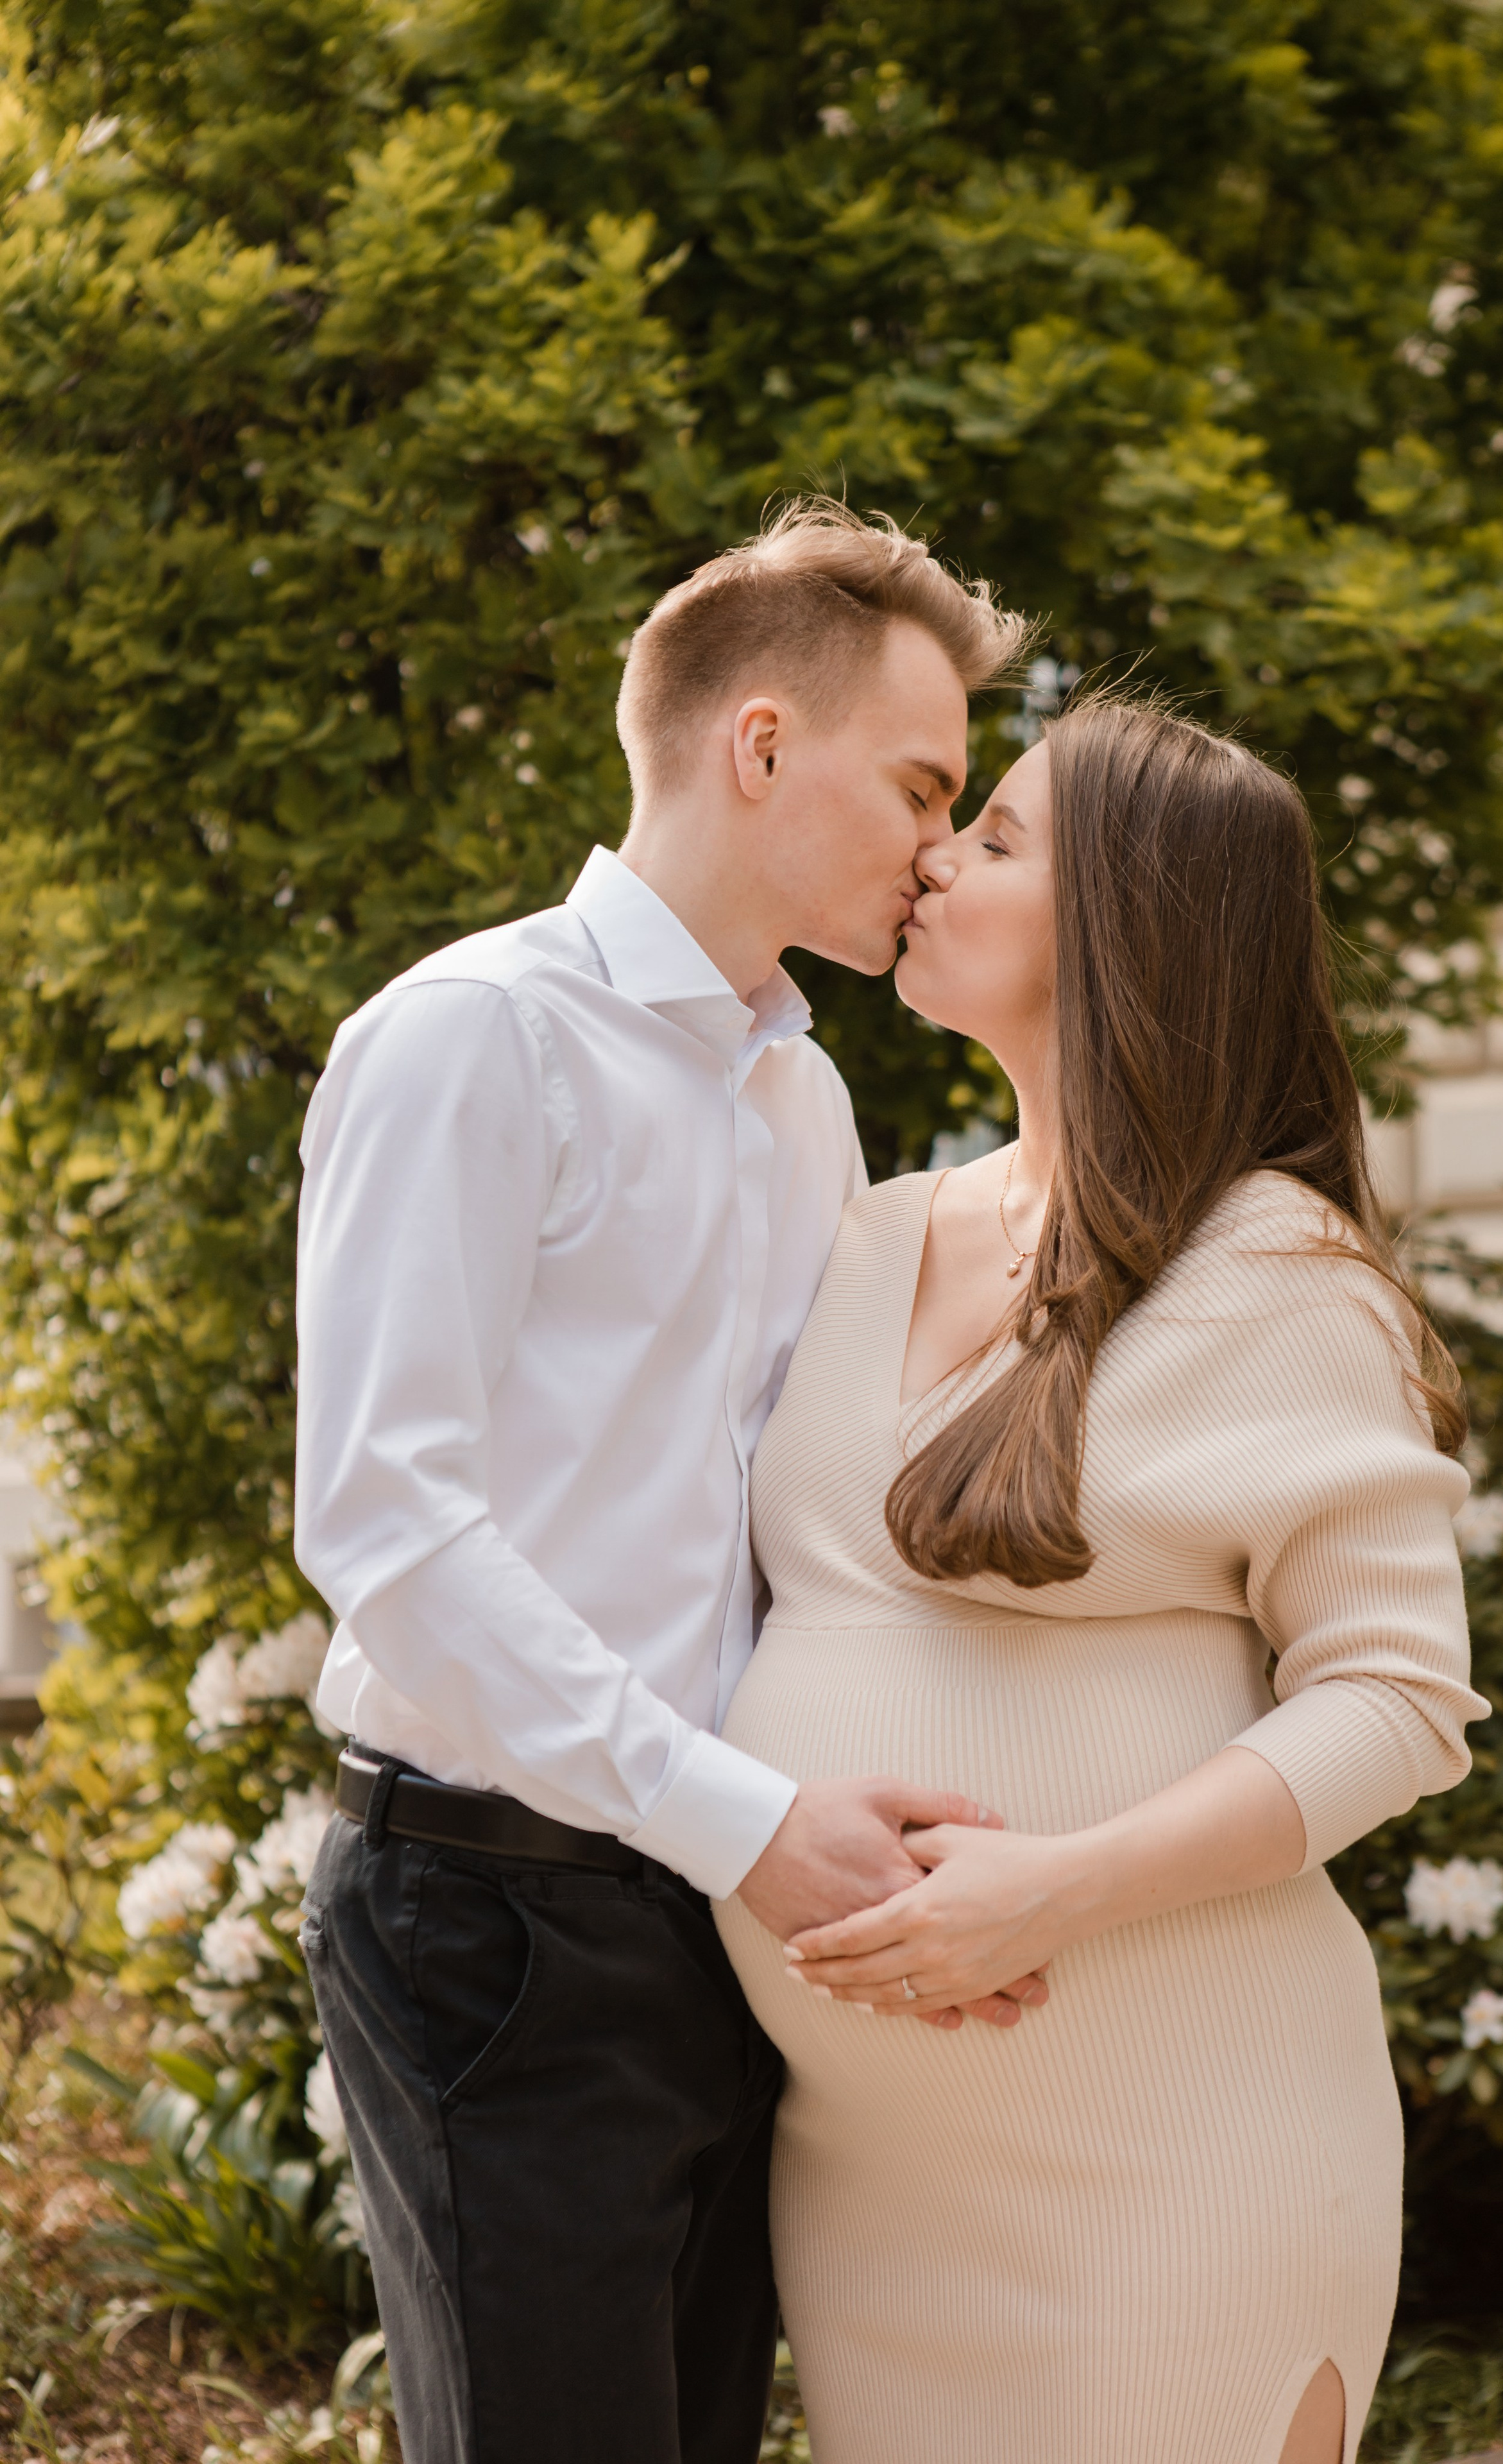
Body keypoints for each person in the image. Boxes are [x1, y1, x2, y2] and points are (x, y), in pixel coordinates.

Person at [291, 501, 1038, 2464]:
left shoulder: (807, 1093)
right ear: (763, 744)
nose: (943, 848)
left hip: (712, 1911)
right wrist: (742, 1818)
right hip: (492, 1913)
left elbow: (779, 1529)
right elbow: (389, 1523)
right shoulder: (471, 1039)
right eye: (924, 784)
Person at [715, 690, 1488, 2464]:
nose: (934, 852)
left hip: (1184, 2165)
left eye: (996, 837)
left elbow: (1396, 1700)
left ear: (1128, 923)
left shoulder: (1279, 1269)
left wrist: (1056, 1887)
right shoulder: (872, 1230)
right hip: (880, 2182)